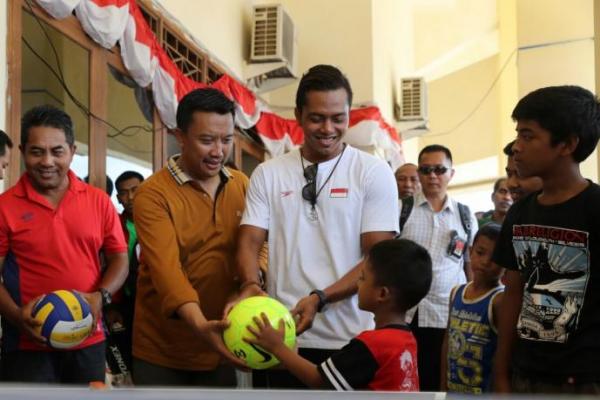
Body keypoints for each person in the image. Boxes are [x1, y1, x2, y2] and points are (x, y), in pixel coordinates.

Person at [235, 64, 399, 388]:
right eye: (317, 118)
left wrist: (320, 298)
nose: (328, 128)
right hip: (282, 337)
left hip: (352, 338)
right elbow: (249, 242)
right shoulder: (269, 173)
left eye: (338, 118)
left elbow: (377, 258)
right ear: (298, 114)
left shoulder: (372, 172)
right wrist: (250, 285)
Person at [0, 105, 128, 383]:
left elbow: (120, 259)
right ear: (22, 152)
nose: (47, 161)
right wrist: (16, 317)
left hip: (88, 339)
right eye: (37, 152)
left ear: (72, 151)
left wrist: (100, 297)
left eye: (57, 151)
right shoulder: (4, 207)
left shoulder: (98, 201)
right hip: (27, 345)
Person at [131, 88, 247, 386]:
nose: (218, 151)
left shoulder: (242, 185)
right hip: (163, 351)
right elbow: (166, 270)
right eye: (207, 140)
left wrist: (249, 283)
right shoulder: (153, 194)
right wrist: (200, 325)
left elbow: (261, 244)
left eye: (227, 140)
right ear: (179, 136)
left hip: (223, 342)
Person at [493, 86, 600, 394]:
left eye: (528, 136)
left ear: (566, 144)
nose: (516, 147)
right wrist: (502, 373)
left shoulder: (594, 208)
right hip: (526, 374)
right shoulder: (520, 213)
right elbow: (513, 294)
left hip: (584, 380)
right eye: (517, 134)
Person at [247, 239, 431, 391]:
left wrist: (277, 347)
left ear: (382, 294)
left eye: (362, 278)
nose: (358, 284)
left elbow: (319, 380)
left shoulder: (372, 345)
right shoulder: (407, 339)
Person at [398, 144, 478, 391]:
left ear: (451, 173)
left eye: (440, 169)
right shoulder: (402, 209)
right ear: (420, 173)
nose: (433, 175)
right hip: (405, 311)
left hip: (446, 312)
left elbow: (469, 265)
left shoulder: (465, 215)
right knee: (405, 379)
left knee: (439, 379)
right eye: (426, 169)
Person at [441, 223, 503, 394]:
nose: (485, 262)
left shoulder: (499, 301)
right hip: (453, 390)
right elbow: (448, 341)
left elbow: (502, 356)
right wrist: (443, 386)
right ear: (470, 251)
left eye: (496, 257)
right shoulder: (456, 293)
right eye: (480, 253)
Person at [104, 170, 145, 374]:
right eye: (123, 193)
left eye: (135, 190)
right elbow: (107, 266)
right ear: (118, 198)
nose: (130, 197)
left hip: (155, 305)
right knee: (126, 362)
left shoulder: (161, 222)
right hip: (125, 305)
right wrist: (111, 306)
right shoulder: (114, 225)